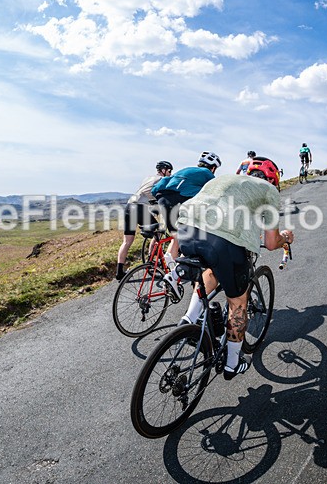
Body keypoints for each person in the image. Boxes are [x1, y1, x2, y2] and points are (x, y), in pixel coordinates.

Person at [174, 156, 294, 380]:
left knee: (211, 270)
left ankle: (189, 320)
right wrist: (285, 237)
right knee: (237, 302)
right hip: (222, 240)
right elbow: (270, 242)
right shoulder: (268, 190)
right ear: (273, 178)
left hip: (186, 229)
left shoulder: (226, 179)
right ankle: (232, 364)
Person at [152, 152, 221, 294]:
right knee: (192, 236)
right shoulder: (207, 174)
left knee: (177, 237)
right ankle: (175, 274)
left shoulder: (187, 170)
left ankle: (171, 273)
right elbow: (216, 196)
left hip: (163, 199)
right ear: (213, 168)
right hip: (179, 200)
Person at [116, 160, 173, 280]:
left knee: (127, 241)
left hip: (129, 206)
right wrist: (158, 202)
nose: (170, 173)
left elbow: (143, 192)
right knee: (158, 231)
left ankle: (119, 272)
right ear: (163, 170)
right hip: (140, 208)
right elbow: (148, 192)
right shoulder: (161, 179)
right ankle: (151, 262)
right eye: (169, 171)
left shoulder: (148, 178)